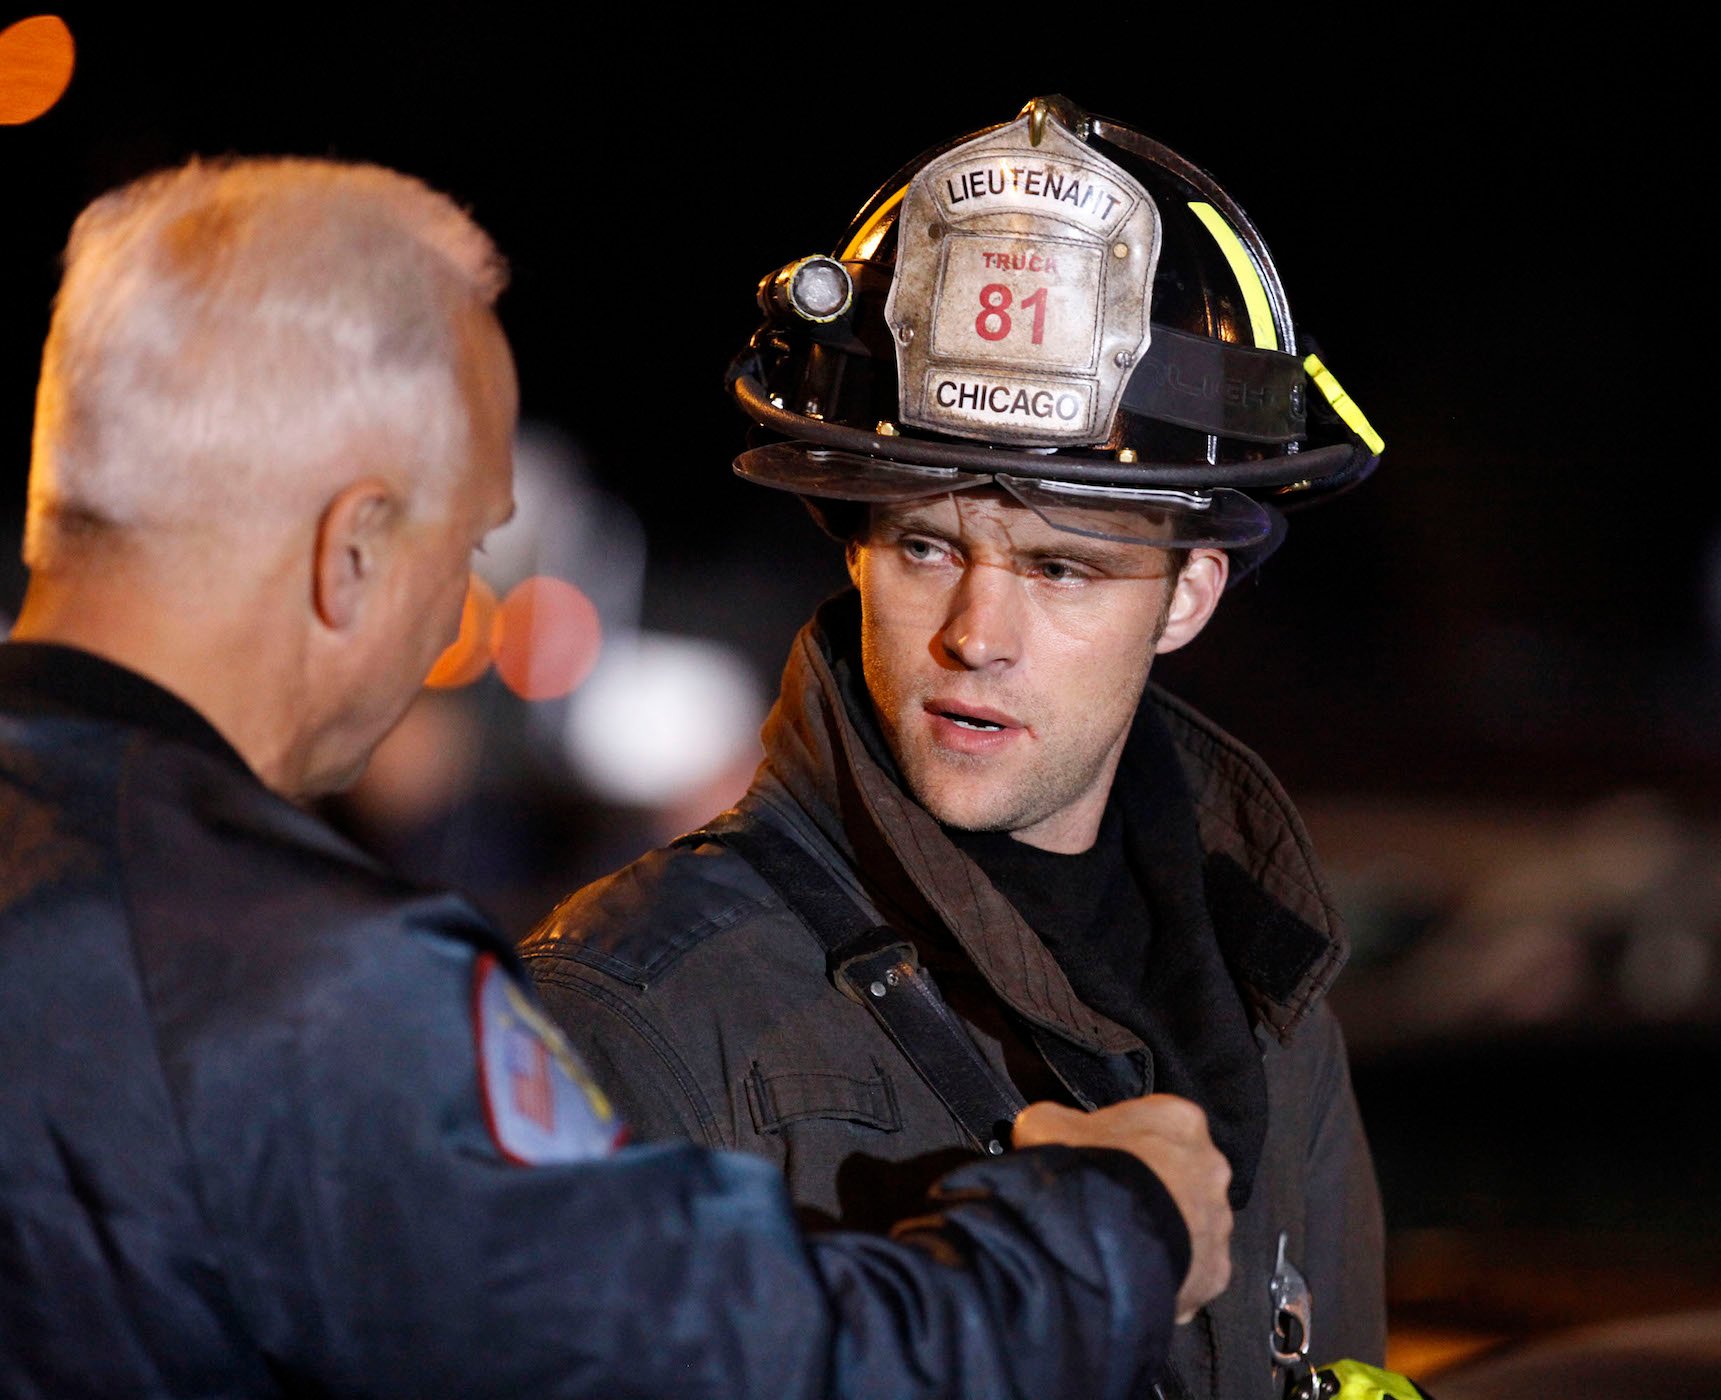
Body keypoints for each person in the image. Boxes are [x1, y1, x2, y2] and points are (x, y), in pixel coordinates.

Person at [0, 156, 1237, 1399]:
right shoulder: (301, 992)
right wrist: (1109, 1229)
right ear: (355, 545)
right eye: (473, 547)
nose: (451, 631)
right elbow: (736, 1366)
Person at [524, 96, 1390, 1400]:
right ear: (860, 546)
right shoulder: (631, 1010)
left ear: (1191, 596)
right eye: (929, 546)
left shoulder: (1271, 1007)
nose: (977, 634)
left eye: (1063, 569)